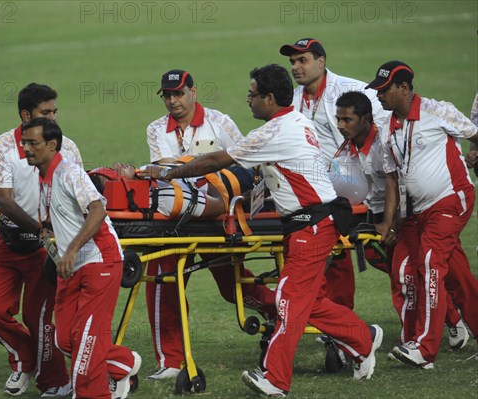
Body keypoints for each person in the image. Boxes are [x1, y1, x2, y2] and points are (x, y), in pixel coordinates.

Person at [142, 64, 383, 398]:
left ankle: (275, 378)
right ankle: (362, 338)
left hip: (310, 225)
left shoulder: (273, 132)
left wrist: (165, 174)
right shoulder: (295, 119)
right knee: (305, 303)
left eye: (253, 95)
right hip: (310, 223)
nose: (248, 101)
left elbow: (216, 162)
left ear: (269, 98)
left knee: (287, 302)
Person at [144, 69, 278, 380]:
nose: (173, 101)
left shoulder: (220, 121)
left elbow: (246, 161)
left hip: (220, 218)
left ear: (193, 92)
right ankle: (170, 361)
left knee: (234, 288)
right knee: (165, 282)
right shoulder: (155, 129)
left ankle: (278, 310)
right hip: (179, 218)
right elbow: (164, 168)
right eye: (167, 95)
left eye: (178, 93)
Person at [334, 91, 469, 354]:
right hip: (377, 215)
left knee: (412, 274)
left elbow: (403, 184)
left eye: (347, 120)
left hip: (409, 215)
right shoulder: (347, 146)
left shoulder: (383, 143)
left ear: (365, 120)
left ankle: (438, 329)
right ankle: (448, 321)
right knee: (408, 272)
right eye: (339, 119)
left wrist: (394, 223)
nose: (340, 125)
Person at [367, 61, 478, 368]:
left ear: (404, 88)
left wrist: (474, 154)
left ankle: (424, 348)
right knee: (456, 275)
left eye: (384, 90)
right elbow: (391, 179)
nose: (379, 96)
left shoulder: (438, 111)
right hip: (418, 212)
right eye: (377, 91)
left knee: (429, 265)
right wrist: (389, 224)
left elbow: (474, 134)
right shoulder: (387, 129)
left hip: (451, 200)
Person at [22, 117, 141, 399]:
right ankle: (123, 362)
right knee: (65, 339)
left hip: (100, 262)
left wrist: (72, 249)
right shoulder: (44, 177)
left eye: (32, 143)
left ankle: (93, 393)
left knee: (87, 345)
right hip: (72, 267)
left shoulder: (69, 173)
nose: (26, 148)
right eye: (24, 142)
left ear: (52, 145)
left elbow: (98, 210)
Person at [0, 83, 80, 397]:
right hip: (9, 240)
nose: (53, 118)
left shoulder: (68, 147)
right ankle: (25, 358)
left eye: (54, 112)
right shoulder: (0, 147)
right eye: (45, 112)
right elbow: (4, 201)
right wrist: (39, 228)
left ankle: (54, 382)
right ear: (26, 115)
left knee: (39, 318)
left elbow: (77, 194)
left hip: (46, 246)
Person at [279, 37, 391, 311]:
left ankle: (446, 310)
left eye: (302, 60)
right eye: (293, 62)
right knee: (334, 256)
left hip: (367, 186)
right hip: (324, 193)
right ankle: (339, 321)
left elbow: (387, 130)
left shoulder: (353, 90)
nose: (296, 67)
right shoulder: (292, 100)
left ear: (321, 61)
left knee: (385, 255)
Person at [88, 162, 254, 218]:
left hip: (230, 171)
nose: (117, 164)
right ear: (122, 189)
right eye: (115, 173)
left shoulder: (146, 172)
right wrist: (205, 175)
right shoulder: (168, 198)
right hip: (240, 184)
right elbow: (220, 205)